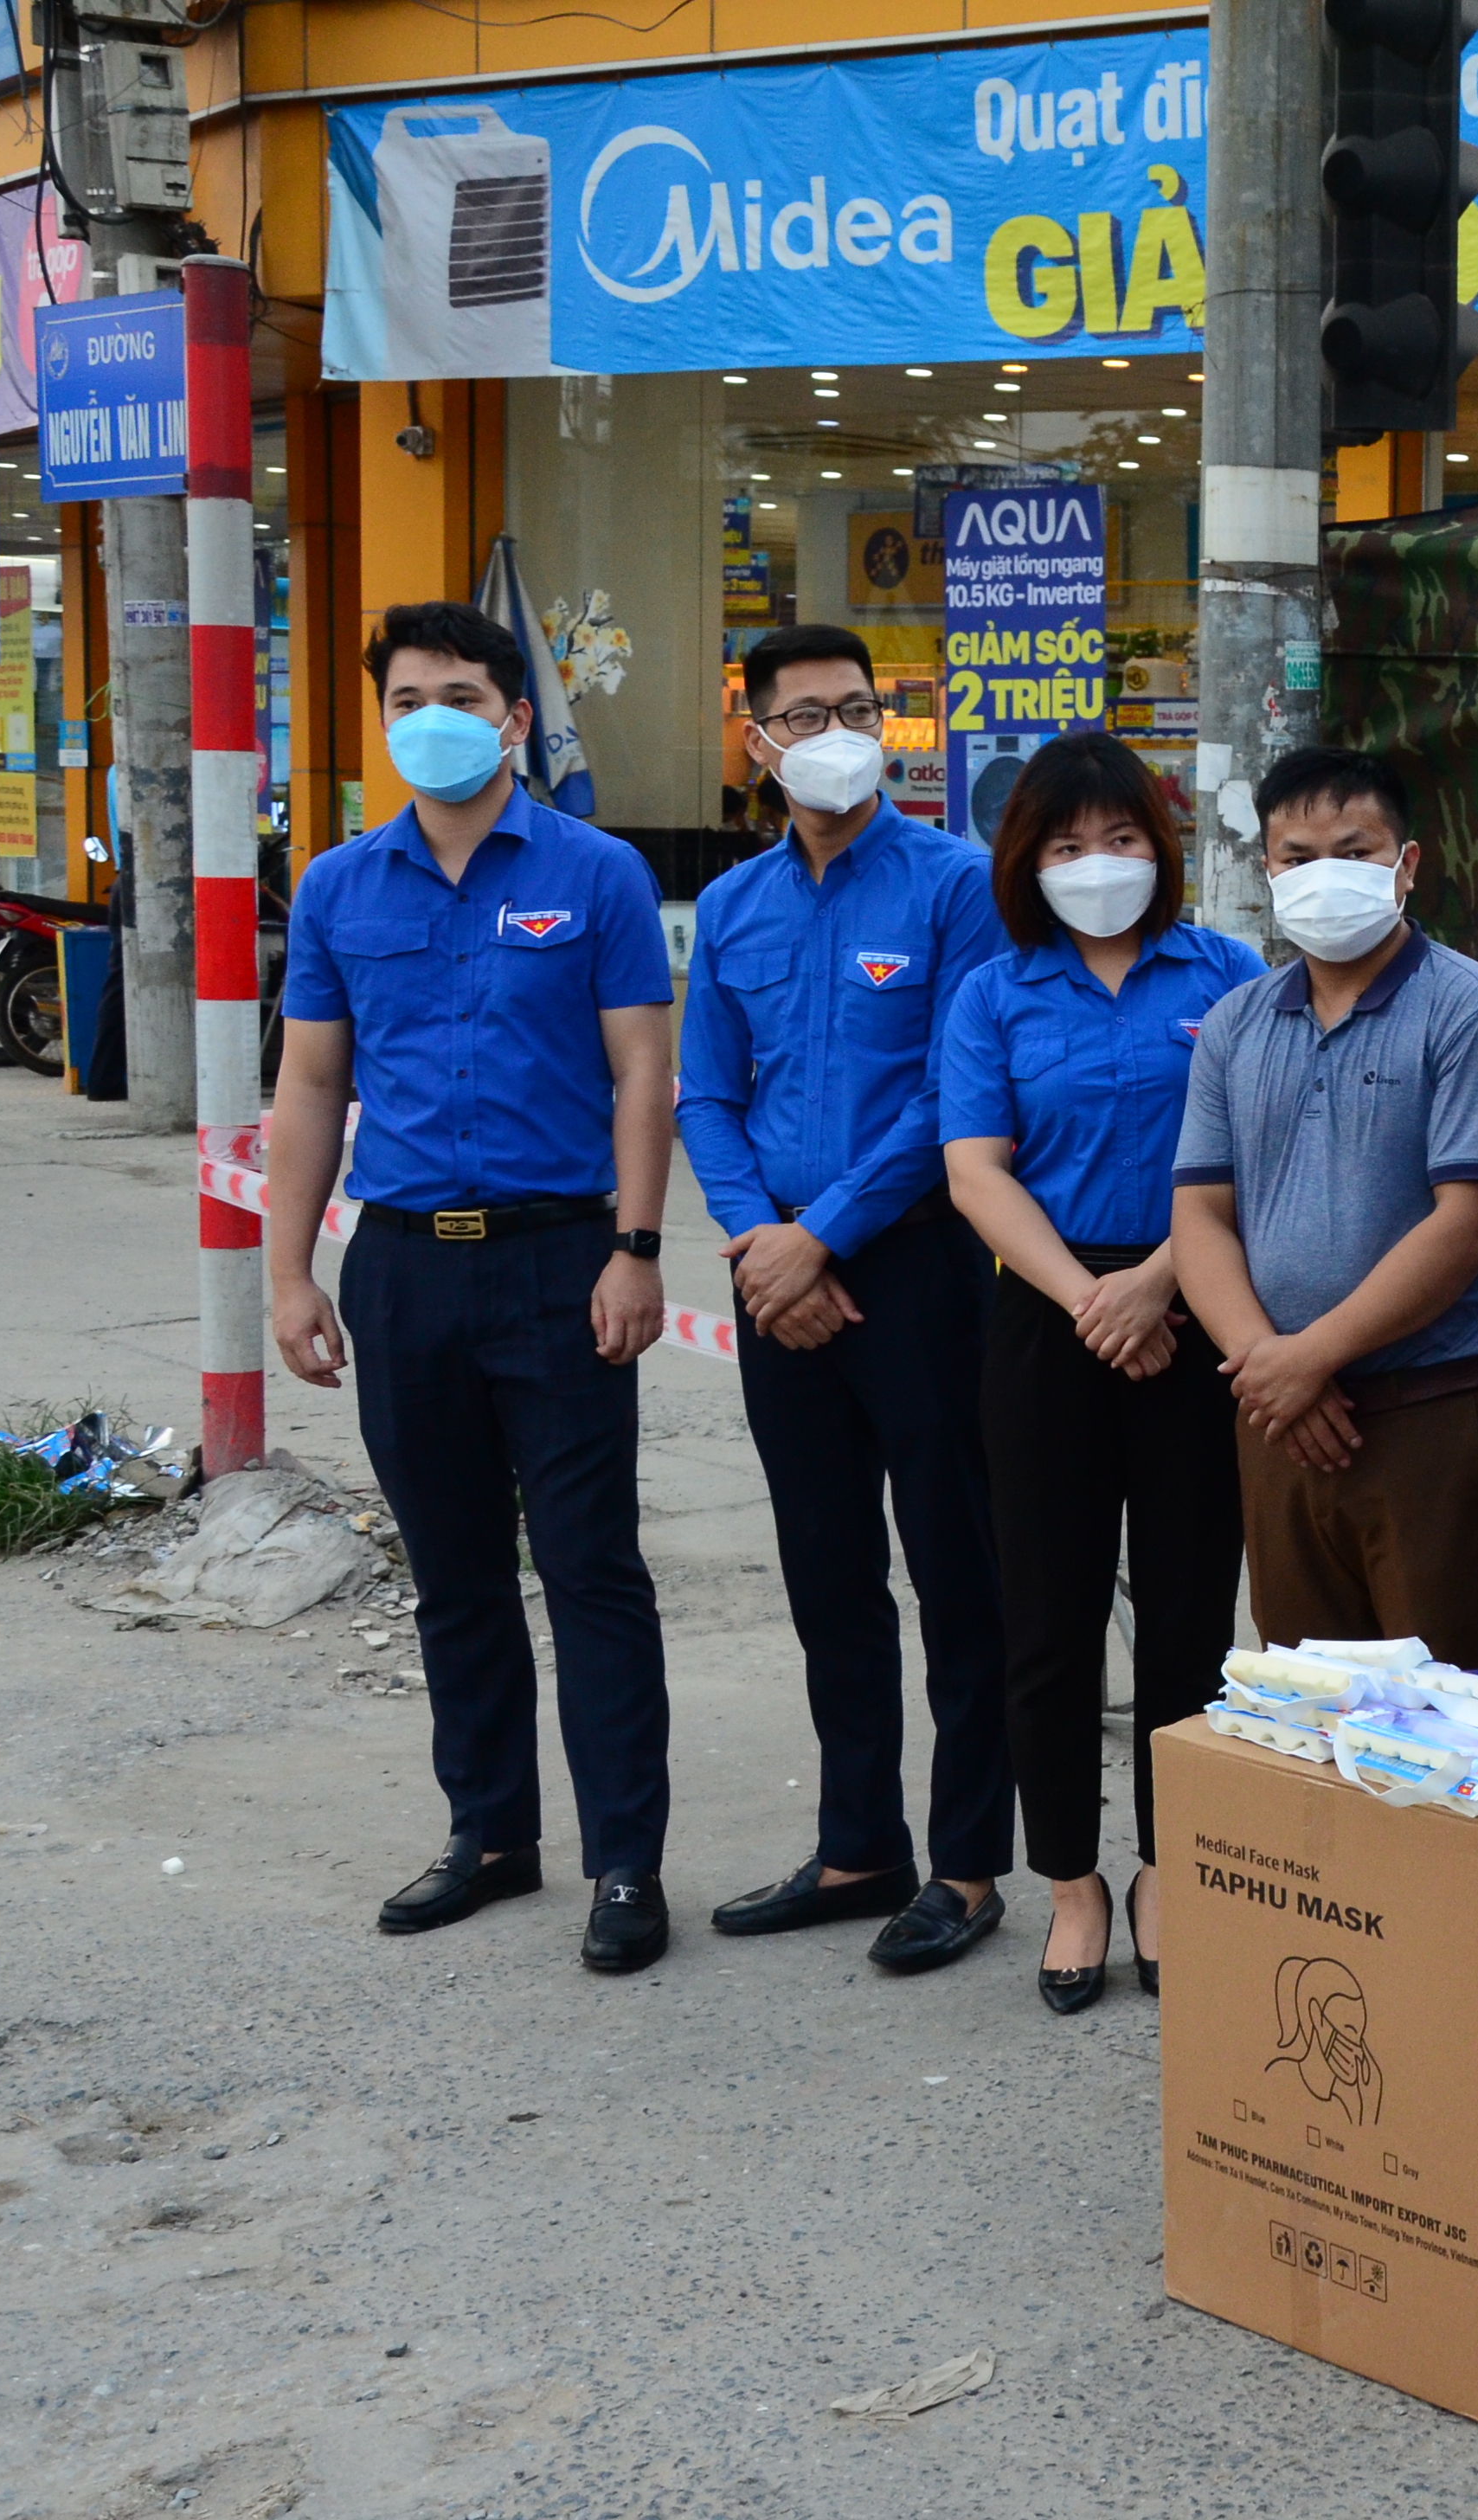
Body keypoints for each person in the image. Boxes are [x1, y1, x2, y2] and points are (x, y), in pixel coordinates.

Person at [265, 601, 682, 1974]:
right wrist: (291, 1273)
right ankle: (491, 1835)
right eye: (403, 697)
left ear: (514, 716)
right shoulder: (336, 886)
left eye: (457, 692)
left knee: (589, 1570)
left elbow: (639, 1071)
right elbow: (314, 1084)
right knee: (452, 1573)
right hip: (401, 1268)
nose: (427, 717)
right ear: (379, 717)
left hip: (564, 1263)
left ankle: (627, 1861)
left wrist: (637, 1248)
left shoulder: (597, 872)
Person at [677, 625, 1016, 1976]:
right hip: (781, 1291)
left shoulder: (957, 885)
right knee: (828, 1576)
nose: (837, 732)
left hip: (924, 1273)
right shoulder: (740, 908)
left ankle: (970, 1864)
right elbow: (709, 1092)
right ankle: (857, 1841)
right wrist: (763, 1242)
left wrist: (820, 1235)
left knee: (957, 1573)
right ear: (756, 737)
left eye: (858, 708)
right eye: (806, 712)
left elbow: (955, 1091)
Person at [941, 731, 1263, 2012]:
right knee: (1048, 1623)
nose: (1098, 865)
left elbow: (1252, 1160)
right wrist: (1089, 1297)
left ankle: (1166, 1868)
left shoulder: (1231, 978)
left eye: (1122, 839)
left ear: (1161, 849)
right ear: (1027, 861)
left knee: (1191, 1619)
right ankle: (1070, 1882)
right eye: (1068, 846)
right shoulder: (995, 993)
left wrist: (1163, 1282)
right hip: (1047, 1322)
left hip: (1197, 1312)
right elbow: (975, 1169)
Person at [1172, 748, 1478, 1666]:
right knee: (1307, 1720)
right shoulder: (1236, 1023)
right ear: (1267, 872)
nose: (1322, 874)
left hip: (1429, 1416)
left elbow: (1467, 1221)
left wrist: (1309, 1359)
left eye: (1354, 850)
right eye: (1297, 856)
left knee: (1442, 1725)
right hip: (1280, 1424)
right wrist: (1270, 1369)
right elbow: (1201, 1215)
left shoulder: (1468, 1009)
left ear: (1407, 864)